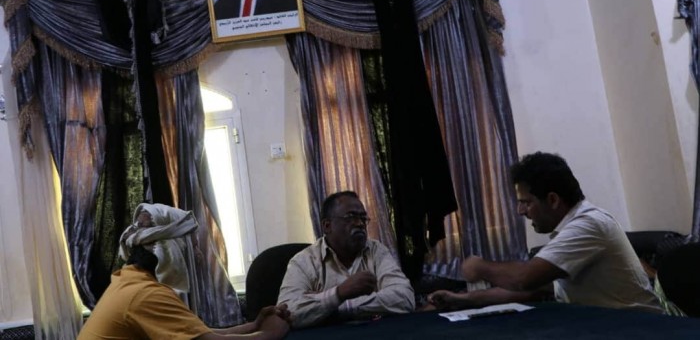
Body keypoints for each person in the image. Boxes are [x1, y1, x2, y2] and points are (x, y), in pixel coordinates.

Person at [427, 152, 662, 314]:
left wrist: (480, 267)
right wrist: (463, 299)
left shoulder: (588, 224)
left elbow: (524, 279)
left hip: (642, 329)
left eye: (526, 202)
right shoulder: (569, 231)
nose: (520, 211)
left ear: (552, 200)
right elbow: (531, 290)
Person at [78, 204, 291, 339]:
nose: (198, 256)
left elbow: (198, 333)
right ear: (171, 251)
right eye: (192, 247)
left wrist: (254, 325)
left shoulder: (129, 280)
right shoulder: (146, 295)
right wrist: (270, 334)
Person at [277, 191, 415, 328]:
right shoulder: (304, 261)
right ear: (327, 226)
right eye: (350, 217)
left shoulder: (376, 250)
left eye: (363, 218)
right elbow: (287, 313)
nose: (360, 224)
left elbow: (405, 297)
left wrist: (339, 305)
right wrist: (339, 292)